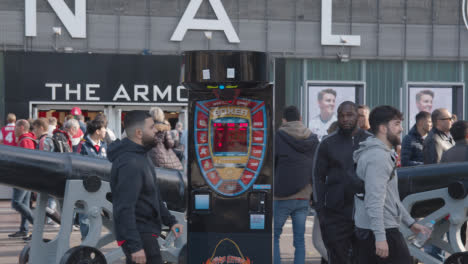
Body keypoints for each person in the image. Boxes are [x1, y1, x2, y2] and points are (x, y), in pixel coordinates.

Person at [353, 105, 430, 264]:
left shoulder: (380, 153)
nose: (401, 129)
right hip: (380, 232)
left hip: (376, 229)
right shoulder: (378, 158)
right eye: (396, 124)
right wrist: (380, 238)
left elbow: (390, 197)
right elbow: (374, 200)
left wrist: (410, 223)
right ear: (382, 128)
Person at [108, 111, 184, 264]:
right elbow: (124, 207)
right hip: (140, 235)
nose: (156, 130)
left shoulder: (142, 156)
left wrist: (171, 221)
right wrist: (135, 246)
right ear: (138, 133)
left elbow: (154, 194)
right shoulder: (130, 163)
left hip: (146, 232)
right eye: (151, 127)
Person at [313, 101, 372, 264]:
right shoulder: (327, 143)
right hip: (335, 213)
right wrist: (320, 211)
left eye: (349, 115)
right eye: (341, 115)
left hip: (365, 212)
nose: (345, 119)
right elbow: (317, 177)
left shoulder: (370, 142)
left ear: (357, 117)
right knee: (338, 258)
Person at [274, 106, 319, 264]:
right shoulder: (313, 138)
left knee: (274, 236)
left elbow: (272, 163)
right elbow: (316, 168)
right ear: (300, 118)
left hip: (282, 196)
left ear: (284, 120)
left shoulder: (279, 136)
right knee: (300, 240)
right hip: (304, 195)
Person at [76, 114, 109, 239]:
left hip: (101, 186)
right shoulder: (83, 145)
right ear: (97, 131)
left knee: (96, 214)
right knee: (85, 215)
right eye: (104, 129)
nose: (105, 131)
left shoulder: (104, 145)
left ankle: (94, 239)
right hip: (86, 186)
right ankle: (86, 240)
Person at [8, 119, 36, 239]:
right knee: (24, 203)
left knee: (16, 203)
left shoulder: (25, 141)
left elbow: (26, 160)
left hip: (23, 177)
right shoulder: (27, 139)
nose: (13, 130)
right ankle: (24, 229)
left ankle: (36, 224)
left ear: (21, 128)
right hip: (27, 177)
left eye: (15, 128)